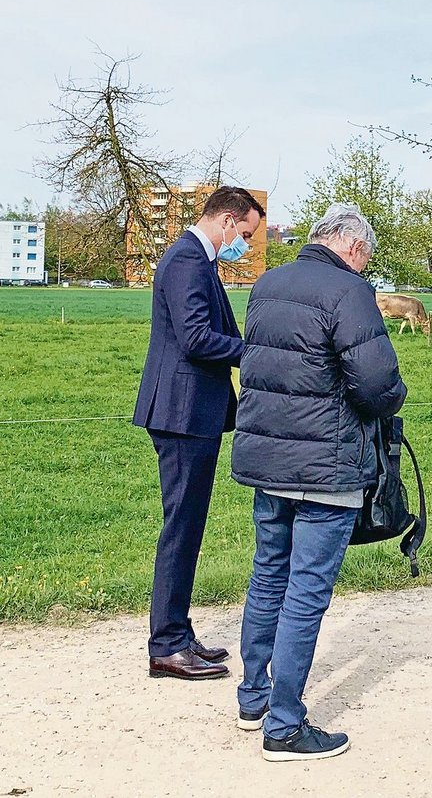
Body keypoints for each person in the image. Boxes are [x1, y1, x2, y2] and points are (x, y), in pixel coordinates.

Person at [231, 203, 406, 761]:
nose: (365, 264)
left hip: (268, 460)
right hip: (325, 466)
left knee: (268, 577)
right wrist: (394, 402)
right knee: (306, 592)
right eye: (366, 256)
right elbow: (376, 382)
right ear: (353, 246)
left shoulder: (267, 284)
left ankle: (254, 697)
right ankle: (284, 727)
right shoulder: (350, 290)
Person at [133, 186, 265, 680]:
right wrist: (257, 353)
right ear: (227, 220)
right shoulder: (188, 259)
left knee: (187, 527)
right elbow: (195, 339)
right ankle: (167, 645)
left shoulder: (197, 259)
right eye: (245, 233)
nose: (245, 244)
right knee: (181, 529)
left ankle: (178, 634)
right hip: (182, 414)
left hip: (191, 413)